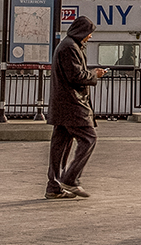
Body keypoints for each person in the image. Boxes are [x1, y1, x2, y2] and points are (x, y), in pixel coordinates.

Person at [45, 15, 107, 199]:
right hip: (72, 104)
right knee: (89, 138)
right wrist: (94, 74)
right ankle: (70, 179)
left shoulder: (67, 45)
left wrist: (91, 73)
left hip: (63, 104)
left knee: (60, 146)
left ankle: (54, 187)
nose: (90, 37)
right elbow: (76, 77)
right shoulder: (70, 48)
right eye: (89, 34)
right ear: (82, 32)